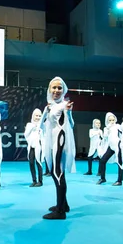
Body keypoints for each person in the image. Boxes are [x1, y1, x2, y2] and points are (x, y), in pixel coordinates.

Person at [40, 77, 76, 220]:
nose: (56, 90)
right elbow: (42, 124)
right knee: (57, 174)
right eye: (54, 88)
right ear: (49, 89)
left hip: (60, 143)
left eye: (59, 88)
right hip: (54, 142)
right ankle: (64, 205)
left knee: (57, 174)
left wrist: (69, 111)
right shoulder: (51, 105)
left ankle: (60, 211)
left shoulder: (64, 105)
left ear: (64, 90)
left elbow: (71, 125)